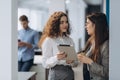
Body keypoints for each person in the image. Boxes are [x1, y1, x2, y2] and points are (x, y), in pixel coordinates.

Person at [38, 11, 77, 80]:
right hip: (56, 74)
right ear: (55, 24)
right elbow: (45, 63)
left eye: (66, 22)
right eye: (62, 22)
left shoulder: (70, 40)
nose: (65, 25)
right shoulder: (49, 40)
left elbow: (75, 62)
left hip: (69, 74)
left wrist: (72, 61)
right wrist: (57, 57)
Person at [77, 12, 109, 80]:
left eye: (88, 23)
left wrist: (90, 61)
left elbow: (106, 72)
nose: (86, 26)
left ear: (95, 25)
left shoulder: (105, 45)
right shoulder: (91, 40)